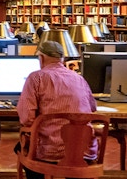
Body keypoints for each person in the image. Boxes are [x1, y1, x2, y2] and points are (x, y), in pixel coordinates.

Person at [15, 40, 97, 179]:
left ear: (40, 58)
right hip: (83, 149)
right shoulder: (79, 78)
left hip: (49, 150)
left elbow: (26, 119)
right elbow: (92, 108)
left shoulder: (36, 78)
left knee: (20, 147)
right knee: (72, 154)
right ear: (62, 59)